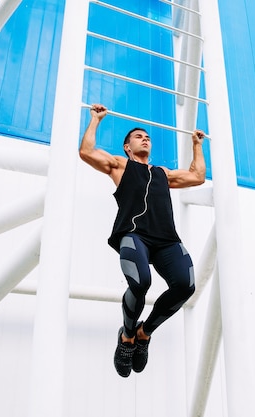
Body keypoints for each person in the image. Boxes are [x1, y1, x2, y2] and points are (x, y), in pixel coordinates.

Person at [79, 104, 207, 377]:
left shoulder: (163, 173)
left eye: (147, 136)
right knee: (141, 282)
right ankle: (126, 338)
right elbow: (86, 152)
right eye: (138, 136)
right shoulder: (119, 165)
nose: (145, 138)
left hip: (166, 240)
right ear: (127, 147)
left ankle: (143, 333)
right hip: (133, 234)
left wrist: (197, 144)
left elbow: (197, 176)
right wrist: (95, 120)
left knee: (186, 285)